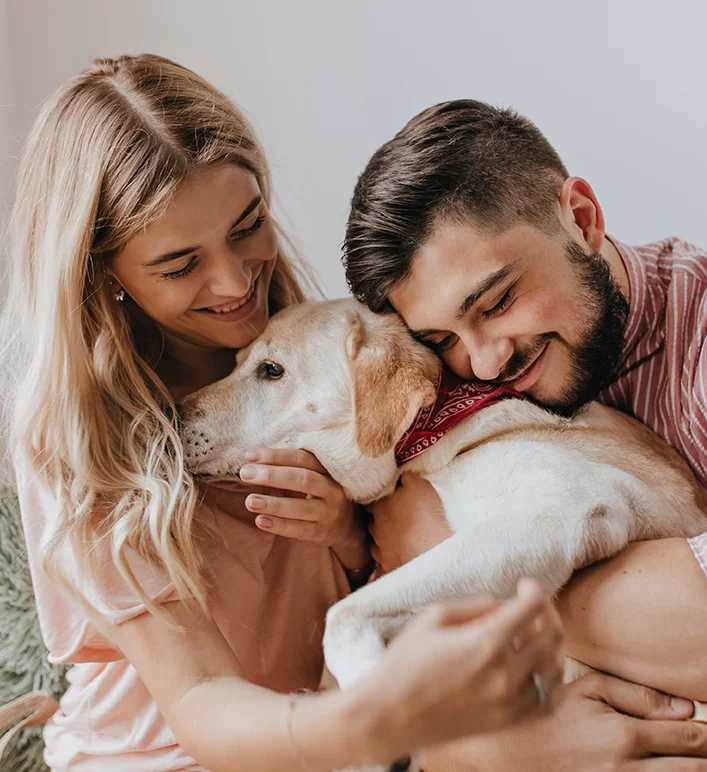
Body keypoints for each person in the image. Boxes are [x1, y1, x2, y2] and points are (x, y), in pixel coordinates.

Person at [2, 58, 565, 772]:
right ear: (101, 271)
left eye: (248, 226)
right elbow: (199, 695)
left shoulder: (319, 350)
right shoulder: (80, 439)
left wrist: (347, 535)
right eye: (181, 266)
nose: (235, 281)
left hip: (332, 728)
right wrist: (372, 720)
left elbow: (374, 569)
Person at [343, 99, 707, 770]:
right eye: (442, 337)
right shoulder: (444, 402)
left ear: (582, 219)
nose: (485, 363)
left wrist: (451, 555)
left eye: (497, 302)